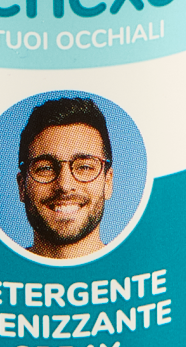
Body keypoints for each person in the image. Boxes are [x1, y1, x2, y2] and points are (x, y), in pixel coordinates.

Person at [17, 97, 114, 260]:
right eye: (46, 168)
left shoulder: (135, 263)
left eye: (84, 167)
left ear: (108, 182)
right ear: (22, 186)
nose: (64, 185)